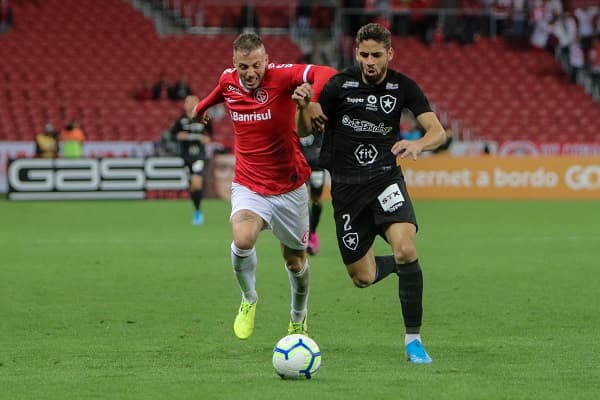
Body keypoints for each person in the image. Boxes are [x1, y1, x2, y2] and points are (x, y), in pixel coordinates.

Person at [294, 23, 447, 364]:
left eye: (377, 55)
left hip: (385, 182)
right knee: (361, 278)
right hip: (347, 189)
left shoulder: (403, 87)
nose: (370, 61)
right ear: (356, 54)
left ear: (389, 54)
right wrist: (304, 106)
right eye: (364, 55)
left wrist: (419, 144)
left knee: (406, 246)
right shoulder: (338, 87)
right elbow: (304, 131)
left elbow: (437, 131)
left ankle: (413, 341)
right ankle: (403, 267)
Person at [192, 32, 337, 339]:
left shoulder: (282, 76)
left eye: (256, 65)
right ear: (234, 64)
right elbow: (216, 94)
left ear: (266, 60)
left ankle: (298, 317)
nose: (250, 73)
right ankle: (249, 298)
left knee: (295, 261)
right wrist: (200, 110)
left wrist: (314, 102)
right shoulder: (229, 80)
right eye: (244, 66)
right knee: (243, 240)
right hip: (249, 185)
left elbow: (326, 73)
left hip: (290, 187)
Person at [169, 95, 212, 225]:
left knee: (197, 183)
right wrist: (178, 136)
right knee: (192, 187)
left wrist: (207, 139)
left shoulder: (204, 117)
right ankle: (196, 209)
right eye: (188, 102)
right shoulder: (181, 120)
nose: (191, 104)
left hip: (199, 155)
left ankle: (198, 213)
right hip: (185, 156)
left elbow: (210, 135)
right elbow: (172, 135)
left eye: (194, 102)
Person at [299, 132, 325, 256]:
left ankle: (313, 232)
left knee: (316, 201)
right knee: (303, 199)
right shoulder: (293, 114)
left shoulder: (316, 113)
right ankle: (307, 237)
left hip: (317, 162)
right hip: (299, 162)